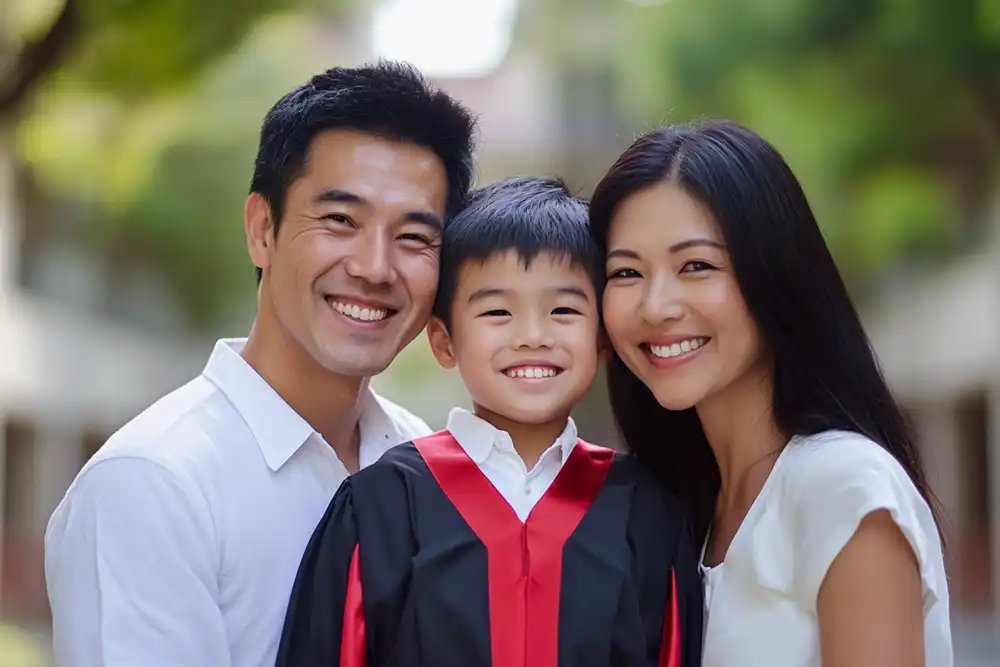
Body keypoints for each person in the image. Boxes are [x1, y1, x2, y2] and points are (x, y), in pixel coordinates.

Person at [44, 61, 477, 667]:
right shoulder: (154, 484)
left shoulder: (437, 471)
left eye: (413, 238)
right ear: (262, 229)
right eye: (340, 221)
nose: (375, 268)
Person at [275, 177, 704, 667]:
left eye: (563, 310)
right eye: (498, 311)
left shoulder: (644, 513)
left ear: (603, 338)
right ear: (444, 341)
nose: (532, 336)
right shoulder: (384, 507)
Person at [590, 120, 952, 667]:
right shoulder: (675, 507)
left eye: (696, 266)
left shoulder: (843, 487)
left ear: (774, 272)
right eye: (625, 273)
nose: (656, 306)